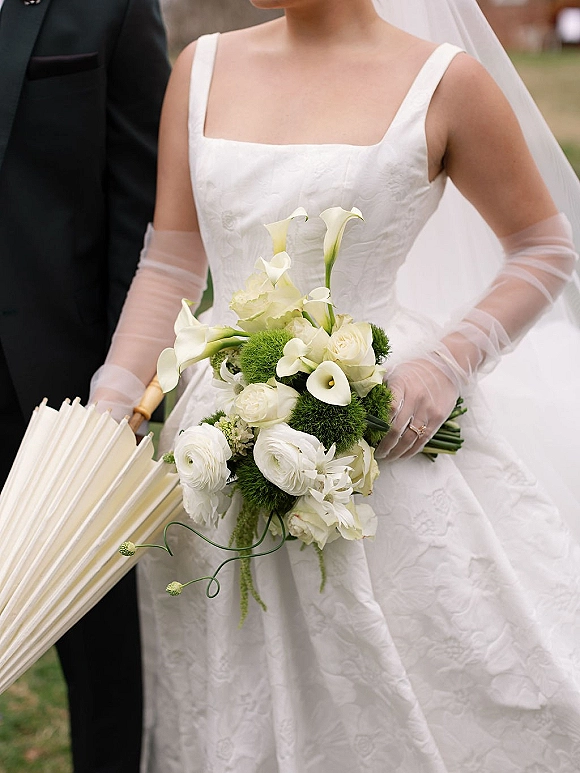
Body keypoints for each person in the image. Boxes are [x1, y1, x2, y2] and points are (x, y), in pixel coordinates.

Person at [92, 0, 580, 769]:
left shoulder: (447, 83)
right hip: (217, 447)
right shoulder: (201, 68)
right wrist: (115, 396)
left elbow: (544, 245)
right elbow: (172, 259)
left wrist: (445, 363)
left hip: (386, 439)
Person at [0, 0, 170, 770]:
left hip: (64, 394)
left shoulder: (116, 6)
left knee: (105, 659)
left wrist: (123, 392)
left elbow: (147, 210)